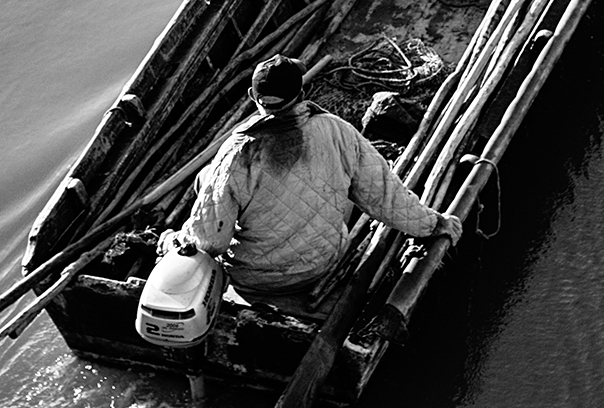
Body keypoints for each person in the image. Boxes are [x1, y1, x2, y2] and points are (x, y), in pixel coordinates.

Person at [162, 54, 463, 299]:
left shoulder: (237, 152)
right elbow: (385, 197)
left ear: (253, 96)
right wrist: (435, 224)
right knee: (342, 194)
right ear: (302, 93)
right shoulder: (337, 130)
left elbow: (207, 241)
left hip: (254, 280)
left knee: (207, 179)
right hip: (321, 266)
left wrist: (171, 242)